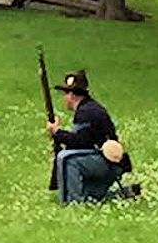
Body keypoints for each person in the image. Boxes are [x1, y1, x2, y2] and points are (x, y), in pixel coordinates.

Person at [46, 70, 132, 205]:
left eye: (66, 93)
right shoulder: (88, 108)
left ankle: (72, 202)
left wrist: (57, 133)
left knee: (66, 159)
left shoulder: (86, 112)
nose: (64, 98)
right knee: (91, 198)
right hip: (106, 161)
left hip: (105, 162)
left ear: (72, 95)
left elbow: (81, 142)